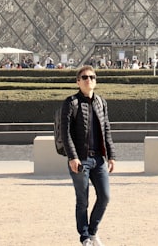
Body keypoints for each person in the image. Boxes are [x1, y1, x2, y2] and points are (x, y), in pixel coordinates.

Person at [59, 65, 116, 246]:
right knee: (82, 199)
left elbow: (106, 129)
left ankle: (92, 231)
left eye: (92, 77)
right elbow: (65, 133)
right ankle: (84, 236)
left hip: (99, 158)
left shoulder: (101, 102)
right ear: (78, 81)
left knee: (105, 196)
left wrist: (111, 155)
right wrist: (72, 157)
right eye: (84, 77)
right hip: (81, 159)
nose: (88, 80)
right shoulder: (71, 103)